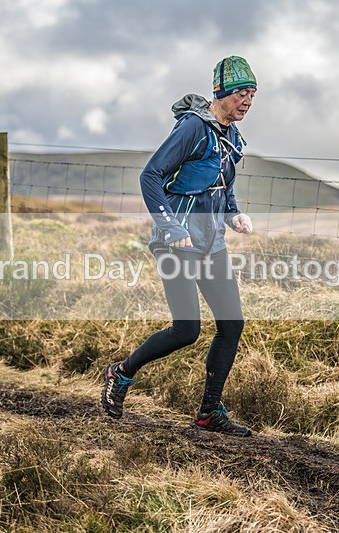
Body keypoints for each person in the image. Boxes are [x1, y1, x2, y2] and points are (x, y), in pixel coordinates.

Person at [101, 56, 257, 437]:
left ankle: (209, 412)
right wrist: (169, 226)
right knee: (187, 329)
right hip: (176, 244)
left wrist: (233, 214)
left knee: (231, 323)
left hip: (210, 244)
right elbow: (150, 175)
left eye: (252, 94)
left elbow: (223, 185)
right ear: (221, 93)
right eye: (241, 93)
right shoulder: (192, 128)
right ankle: (120, 374)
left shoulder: (231, 138)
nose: (248, 101)